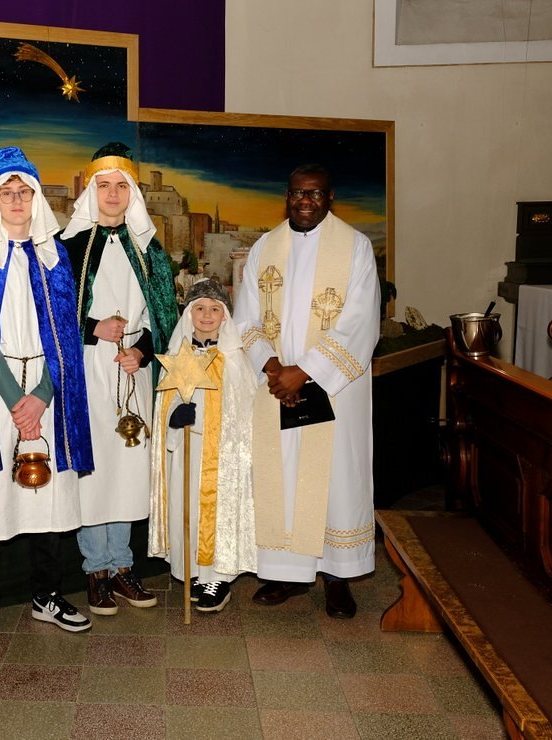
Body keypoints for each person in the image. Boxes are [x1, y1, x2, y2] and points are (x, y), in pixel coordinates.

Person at [0, 146, 94, 641]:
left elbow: (68, 339)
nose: (17, 201)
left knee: (48, 498)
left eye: (24, 192)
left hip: (48, 392)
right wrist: (18, 399)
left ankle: (47, 595)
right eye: (6, 193)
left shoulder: (54, 259)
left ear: (37, 198)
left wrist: (42, 396)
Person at [233, 164, 380, 619]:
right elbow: (246, 317)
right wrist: (273, 367)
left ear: (329, 198)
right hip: (276, 385)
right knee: (283, 478)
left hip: (334, 389)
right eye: (298, 192)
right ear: (287, 195)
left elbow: (360, 322)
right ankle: (286, 574)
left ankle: (337, 577)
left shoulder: (355, 247)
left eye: (315, 194)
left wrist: (306, 372)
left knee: (335, 480)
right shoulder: (265, 247)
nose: (305, 201)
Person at [59, 142, 178, 616]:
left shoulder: (149, 250)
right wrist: (94, 328)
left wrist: (142, 350)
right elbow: (50, 315)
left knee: (128, 469)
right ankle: (96, 569)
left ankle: (124, 565)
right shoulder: (68, 249)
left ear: (133, 194)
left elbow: (163, 317)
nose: (112, 194)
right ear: (91, 191)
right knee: (97, 472)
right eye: (104, 185)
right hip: (88, 369)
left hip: (132, 372)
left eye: (121, 186)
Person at [149, 279, 257, 612]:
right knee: (188, 507)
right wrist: (174, 418)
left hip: (221, 455)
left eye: (214, 309)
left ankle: (217, 578)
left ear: (225, 316)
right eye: (199, 308)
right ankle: (194, 571)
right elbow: (164, 406)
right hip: (187, 449)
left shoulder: (233, 358)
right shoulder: (178, 356)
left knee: (219, 510)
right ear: (189, 314)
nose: (206, 315)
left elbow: (244, 408)